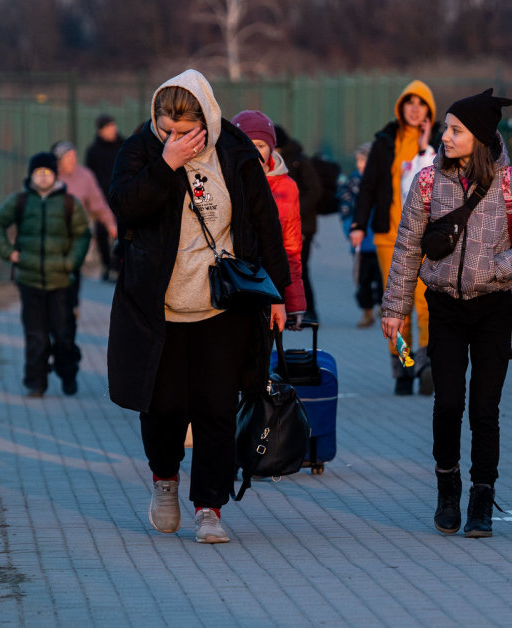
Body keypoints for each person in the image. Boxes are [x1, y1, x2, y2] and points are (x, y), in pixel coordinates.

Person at [106, 69, 291, 544]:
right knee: (163, 407)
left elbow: (264, 223)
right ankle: (164, 479)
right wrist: (166, 164)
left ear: (206, 120)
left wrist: (279, 294)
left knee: (216, 409)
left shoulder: (234, 150)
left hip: (222, 307)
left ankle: (210, 507)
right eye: (166, 129)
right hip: (159, 307)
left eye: (185, 132)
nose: (174, 138)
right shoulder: (140, 150)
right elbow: (125, 207)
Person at [380, 89, 512, 538]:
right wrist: (395, 309)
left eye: (456, 130)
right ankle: (447, 488)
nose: (445, 136)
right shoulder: (427, 183)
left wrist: (497, 268)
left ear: (479, 137)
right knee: (449, 401)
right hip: (445, 307)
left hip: (493, 307)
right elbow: (407, 247)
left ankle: (481, 497)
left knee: (484, 408)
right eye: (447, 129)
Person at [349, 79, 443, 395]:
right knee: (397, 309)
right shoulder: (385, 142)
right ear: (400, 107)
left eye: (421, 103)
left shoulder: (441, 141)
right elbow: (368, 188)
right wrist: (358, 224)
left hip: (428, 238)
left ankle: (428, 366)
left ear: (429, 109)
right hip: (390, 237)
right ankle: (404, 367)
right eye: (409, 103)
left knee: (427, 303)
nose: (414, 109)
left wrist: (427, 144)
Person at [0, 151, 92, 398]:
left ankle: (68, 372)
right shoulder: (20, 201)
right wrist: (9, 253)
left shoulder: (69, 203)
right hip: (29, 280)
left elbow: (82, 235)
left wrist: (70, 262)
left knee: (64, 334)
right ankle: (36, 382)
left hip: (61, 281)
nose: (43, 177)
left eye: (47, 172)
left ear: (55, 174)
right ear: (31, 175)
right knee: (36, 335)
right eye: (38, 172)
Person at [233, 109, 307, 328]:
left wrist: (293, 303)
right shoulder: (225, 182)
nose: (253, 151)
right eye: (247, 144)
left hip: (270, 287)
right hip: (232, 285)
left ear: (271, 148)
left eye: (260, 145)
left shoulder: (286, 187)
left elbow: (291, 249)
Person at [51, 139, 117, 301]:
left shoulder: (85, 176)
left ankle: (71, 306)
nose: (73, 160)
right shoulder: (50, 177)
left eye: (74, 156)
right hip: (53, 235)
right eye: (68, 157)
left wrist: (110, 224)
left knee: (72, 272)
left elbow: (98, 203)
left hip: (76, 235)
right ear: (58, 159)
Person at [274, 125, 322, 321]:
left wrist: (293, 209)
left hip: (303, 225)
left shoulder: (298, 160)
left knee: (299, 268)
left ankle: (308, 311)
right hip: (283, 224)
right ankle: (290, 309)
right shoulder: (278, 160)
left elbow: (315, 190)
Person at [339, 142, 380, 328]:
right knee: (362, 281)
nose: (360, 165)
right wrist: (350, 229)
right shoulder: (353, 182)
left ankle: (383, 307)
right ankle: (367, 312)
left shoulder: (383, 182)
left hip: (380, 241)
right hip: (361, 244)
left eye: (364, 161)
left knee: (383, 279)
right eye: (358, 160)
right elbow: (345, 209)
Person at [85, 113, 126, 281]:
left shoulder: (123, 145)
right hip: (101, 198)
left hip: (122, 195)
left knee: (122, 231)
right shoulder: (93, 150)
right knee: (102, 232)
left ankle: (118, 266)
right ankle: (106, 265)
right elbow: (90, 176)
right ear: (100, 131)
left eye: (113, 126)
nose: (112, 130)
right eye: (108, 128)